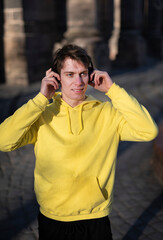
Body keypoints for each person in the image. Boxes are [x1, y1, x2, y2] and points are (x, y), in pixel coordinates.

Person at [0, 44, 158, 240]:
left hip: (95, 217)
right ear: (56, 77)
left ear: (90, 76)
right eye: (69, 74)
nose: (78, 81)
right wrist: (41, 99)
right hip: (53, 218)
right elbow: (4, 141)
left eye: (83, 74)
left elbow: (148, 131)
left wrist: (112, 90)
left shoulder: (106, 113)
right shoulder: (41, 116)